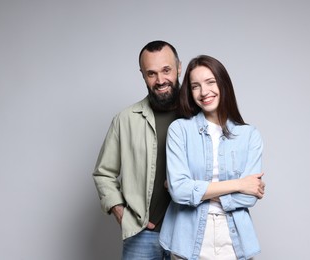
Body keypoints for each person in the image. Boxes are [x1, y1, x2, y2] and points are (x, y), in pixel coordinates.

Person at [159, 55, 265, 260]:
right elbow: (179, 191)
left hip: (234, 240)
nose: (204, 92)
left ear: (223, 84)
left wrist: (193, 189)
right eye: (195, 86)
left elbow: (248, 196)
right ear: (190, 92)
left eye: (210, 82)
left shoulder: (249, 135)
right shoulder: (180, 130)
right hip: (186, 239)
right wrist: (239, 184)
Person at [92, 40, 182, 260]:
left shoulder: (198, 116)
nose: (160, 80)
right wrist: (121, 213)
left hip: (188, 234)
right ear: (142, 75)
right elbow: (104, 173)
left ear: (179, 67)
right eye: (151, 73)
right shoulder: (125, 119)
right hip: (142, 236)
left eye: (166, 70)